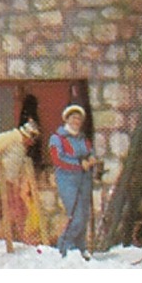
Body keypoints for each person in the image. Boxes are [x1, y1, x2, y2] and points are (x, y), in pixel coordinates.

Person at [49, 104, 96, 259]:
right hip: (68, 181)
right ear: (67, 119)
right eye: (73, 118)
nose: (76, 121)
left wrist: (91, 159)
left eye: (79, 118)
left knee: (84, 215)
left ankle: (80, 248)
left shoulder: (83, 138)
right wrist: (78, 163)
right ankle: (64, 247)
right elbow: (58, 159)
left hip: (84, 180)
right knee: (76, 216)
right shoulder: (58, 138)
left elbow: (90, 152)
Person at [0, 119, 40, 241]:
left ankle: (13, 237)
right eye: (32, 138)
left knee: (13, 209)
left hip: (9, 181)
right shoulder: (11, 137)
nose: (32, 142)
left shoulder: (21, 146)